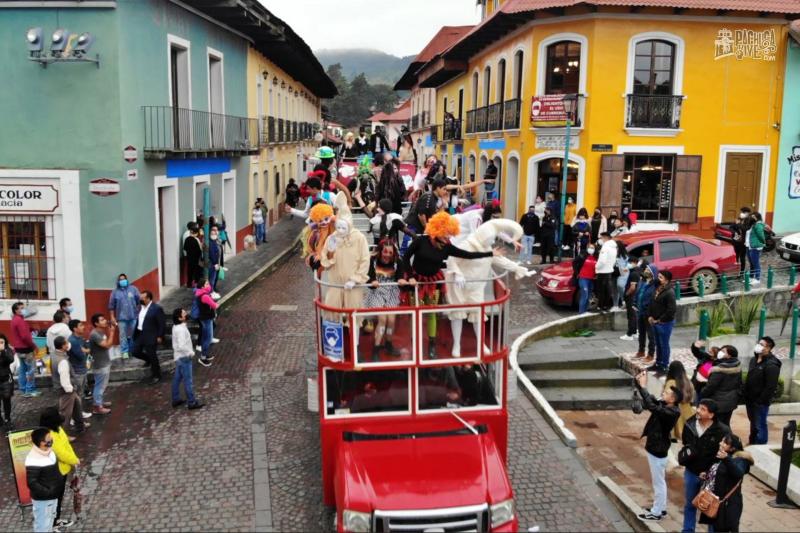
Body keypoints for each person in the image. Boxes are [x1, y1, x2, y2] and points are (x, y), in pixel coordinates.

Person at [403, 212, 497, 358]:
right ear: (437, 230)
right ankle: (414, 342)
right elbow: (406, 257)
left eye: (450, 233)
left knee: (432, 313)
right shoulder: (421, 241)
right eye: (446, 233)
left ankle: (432, 344)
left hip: (434, 282)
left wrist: (489, 254)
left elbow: (466, 254)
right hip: (416, 282)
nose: (449, 237)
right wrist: (409, 276)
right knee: (415, 314)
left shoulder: (447, 246)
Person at [445, 219, 534, 357]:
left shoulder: (486, 249)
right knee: (457, 314)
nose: (491, 242)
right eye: (490, 239)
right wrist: (457, 273)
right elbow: (452, 260)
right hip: (459, 286)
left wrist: (517, 268)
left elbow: (499, 260)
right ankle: (457, 344)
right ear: (482, 237)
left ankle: (481, 344)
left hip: (476, 286)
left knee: (478, 315)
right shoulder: (466, 246)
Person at [678, 398, 731, 533]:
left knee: (711, 507)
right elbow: (686, 445)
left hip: (711, 476)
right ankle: (688, 530)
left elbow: (725, 452)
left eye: (703, 409)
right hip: (691, 472)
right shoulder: (689, 424)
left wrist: (709, 472)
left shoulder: (722, 430)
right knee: (690, 504)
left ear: (711, 415)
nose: (698, 411)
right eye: (698, 407)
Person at [634, 371, 680, 522]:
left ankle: (657, 512)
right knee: (659, 482)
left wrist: (643, 387)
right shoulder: (666, 405)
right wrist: (639, 385)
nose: (663, 393)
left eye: (666, 392)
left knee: (658, 483)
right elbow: (651, 401)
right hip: (657, 447)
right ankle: (660, 508)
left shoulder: (671, 412)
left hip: (658, 450)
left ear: (672, 399)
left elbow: (652, 406)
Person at [698, 434, 753, 533]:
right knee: (713, 525)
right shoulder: (721, 454)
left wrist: (726, 458)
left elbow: (738, 473)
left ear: (732, 448)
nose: (720, 443)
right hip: (713, 501)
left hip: (727, 505)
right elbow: (719, 472)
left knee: (723, 528)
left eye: (725, 443)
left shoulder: (741, 459)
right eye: (722, 441)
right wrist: (707, 475)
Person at [364, 239, 407, 361]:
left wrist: (401, 280)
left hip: (392, 291)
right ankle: (376, 348)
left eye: (390, 253)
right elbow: (368, 278)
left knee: (391, 320)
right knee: (383, 319)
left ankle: (388, 344)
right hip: (376, 292)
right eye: (385, 252)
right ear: (380, 251)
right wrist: (372, 281)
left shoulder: (397, 262)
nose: (387, 255)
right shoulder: (372, 261)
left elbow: (400, 276)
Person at [39, 406, 79, 531]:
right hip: (55, 473)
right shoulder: (48, 436)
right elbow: (60, 453)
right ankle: (52, 524)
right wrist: (74, 460)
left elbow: (66, 445)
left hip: (62, 471)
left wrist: (73, 458)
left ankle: (55, 519)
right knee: (54, 499)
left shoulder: (57, 429)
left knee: (58, 497)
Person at [743, 336, 781, 445]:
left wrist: (760, 400)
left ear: (768, 348)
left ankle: (761, 445)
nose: (758, 346)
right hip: (750, 399)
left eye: (762, 345)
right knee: (753, 423)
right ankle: (752, 442)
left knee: (760, 424)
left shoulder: (772, 365)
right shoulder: (753, 360)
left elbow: (770, 386)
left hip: (760, 402)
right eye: (758, 343)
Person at [26, 427, 62, 533]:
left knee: (50, 521)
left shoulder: (48, 451)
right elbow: (31, 482)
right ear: (41, 443)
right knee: (42, 526)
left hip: (53, 496)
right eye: (48, 439)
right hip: (44, 500)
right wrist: (48, 492)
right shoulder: (33, 459)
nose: (51, 440)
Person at [51, 336, 87, 436]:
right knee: (65, 414)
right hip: (67, 390)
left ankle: (80, 426)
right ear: (63, 346)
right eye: (66, 343)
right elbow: (64, 380)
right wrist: (70, 390)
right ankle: (62, 435)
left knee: (77, 406)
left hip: (68, 389)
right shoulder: (62, 361)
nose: (68, 344)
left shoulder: (54, 355)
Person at [700, 345, 742, 427]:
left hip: (718, 402)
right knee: (725, 423)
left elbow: (710, 387)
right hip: (731, 401)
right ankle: (728, 438)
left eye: (723, 351)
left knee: (717, 425)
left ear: (729, 355)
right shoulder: (737, 365)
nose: (720, 352)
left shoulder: (719, 370)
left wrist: (702, 392)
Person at [171, 307, 204, 409]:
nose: (186, 314)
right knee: (188, 381)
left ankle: (176, 399)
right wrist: (190, 352)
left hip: (178, 357)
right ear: (180, 318)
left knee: (177, 379)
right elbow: (181, 346)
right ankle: (192, 402)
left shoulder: (176, 327)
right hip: (184, 357)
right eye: (184, 313)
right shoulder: (180, 330)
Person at [131, 291, 165, 385]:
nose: (140, 299)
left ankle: (156, 375)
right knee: (135, 351)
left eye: (143, 298)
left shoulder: (156, 308)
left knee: (152, 354)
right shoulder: (140, 307)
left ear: (149, 298)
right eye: (140, 297)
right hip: (140, 333)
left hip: (151, 335)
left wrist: (160, 336)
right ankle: (148, 359)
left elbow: (161, 323)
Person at [647, 270, 676, 375]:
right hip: (654, 321)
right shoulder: (657, 288)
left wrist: (659, 320)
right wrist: (650, 316)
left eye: (661, 277)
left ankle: (664, 365)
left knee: (664, 344)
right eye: (658, 276)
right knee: (658, 344)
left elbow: (671, 310)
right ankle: (658, 363)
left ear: (667, 280)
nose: (658, 279)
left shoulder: (670, 292)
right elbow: (652, 302)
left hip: (664, 323)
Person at [10, 301, 40, 398]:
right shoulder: (20, 320)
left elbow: (22, 332)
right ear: (16, 310)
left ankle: (23, 388)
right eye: (21, 308)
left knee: (22, 369)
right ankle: (29, 390)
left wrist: (30, 329)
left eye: (24, 307)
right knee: (31, 370)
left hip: (19, 349)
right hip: (26, 349)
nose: (24, 309)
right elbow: (25, 337)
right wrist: (34, 346)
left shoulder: (15, 319)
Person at [108, 273, 140, 360]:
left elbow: (139, 301)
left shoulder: (133, 289)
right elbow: (111, 306)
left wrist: (138, 312)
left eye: (124, 279)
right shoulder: (114, 292)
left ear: (127, 279)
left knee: (134, 334)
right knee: (123, 335)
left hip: (133, 316)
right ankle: (124, 351)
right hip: (121, 318)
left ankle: (133, 350)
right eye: (121, 279)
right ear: (118, 281)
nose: (123, 281)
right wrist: (112, 317)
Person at [88, 314, 114, 415]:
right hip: (100, 364)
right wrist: (112, 332)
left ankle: (100, 402)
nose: (105, 321)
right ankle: (97, 407)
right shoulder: (95, 334)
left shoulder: (101, 332)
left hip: (105, 361)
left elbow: (107, 344)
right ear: (96, 323)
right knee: (99, 385)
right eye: (102, 320)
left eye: (104, 319)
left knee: (103, 385)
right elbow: (107, 345)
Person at [664, 361, 695, 440]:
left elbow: (667, 398)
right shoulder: (688, 381)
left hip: (675, 411)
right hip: (687, 411)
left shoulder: (671, 382)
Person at [66, 320, 91, 417]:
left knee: (80, 393)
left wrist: (85, 350)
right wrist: (85, 350)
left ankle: (79, 413)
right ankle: (75, 416)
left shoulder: (79, 338)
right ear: (75, 329)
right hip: (77, 371)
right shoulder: (73, 340)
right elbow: (81, 355)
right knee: (77, 394)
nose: (83, 327)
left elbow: (87, 349)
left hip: (82, 369)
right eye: (80, 325)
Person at [634, 262, 658, 361]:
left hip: (649, 314)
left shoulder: (655, 286)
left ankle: (651, 354)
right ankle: (641, 351)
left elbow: (654, 300)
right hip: (640, 312)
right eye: (646, 270)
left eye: (648, 270)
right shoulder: (642, 282)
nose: (646, 271)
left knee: (651, 335)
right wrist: (634, 304)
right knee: (641, 333)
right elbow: (638, 293)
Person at [193, 278, 219, 367]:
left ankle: (205, 354)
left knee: (207, 337)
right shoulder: (205, 296)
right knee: (208, 338)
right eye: (207, 284)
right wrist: (216, 304)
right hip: (207, 319)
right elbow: (214, 305)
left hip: (205, 318)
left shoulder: (201, 294)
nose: (209, 285)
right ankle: (203, 357)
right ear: (202, 286)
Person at [594, 232, 617, 312]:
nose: (601, 240)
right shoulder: (614, 247)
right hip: (609, 270)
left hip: (602, 271)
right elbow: (614, 261)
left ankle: (600, 306)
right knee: (607, 290)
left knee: (601, 290)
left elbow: (602, 261)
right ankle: (606, 306)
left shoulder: (605, 247)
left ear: (606, 238)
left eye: (602, 238)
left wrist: (596, 266)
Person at [620, 254, 640, 341]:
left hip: (631, 297)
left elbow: (632, 287)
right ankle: (635, 332)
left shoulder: (634, 273)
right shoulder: (635, 271)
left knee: (631, 316)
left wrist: (627, 294)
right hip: (633, 297)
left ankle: (629, 334)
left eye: (630, 262)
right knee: (633, 315)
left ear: (635, 263)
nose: (628, 264)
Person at [731, 207, 752, 277]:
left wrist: (739, 224)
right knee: (736, 255)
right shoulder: (738, 219)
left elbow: (746, 229)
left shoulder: (749, 221)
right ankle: (736, 270)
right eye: (741, 212)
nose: (742, 214)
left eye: (743, 212)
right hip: (736, 241)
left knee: (742, 257)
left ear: (747, 213)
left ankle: (742, 272)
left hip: (743, 242)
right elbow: (731, 227)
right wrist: (734, 232)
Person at [746, 211, 766, 284]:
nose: (751, 217)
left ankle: (757, 279)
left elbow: (761, 235)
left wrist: (762, 242)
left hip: (755, 246)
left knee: (755, 263)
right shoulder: (753, 224)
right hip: (750, 246)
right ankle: (751, 277)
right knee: (751, 263)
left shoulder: (758, 225)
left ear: (756, 217)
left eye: (753, 216)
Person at [182, 223, 204, 288]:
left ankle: (189, 284)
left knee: (190, 271)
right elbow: (199, 250)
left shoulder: (187, 239)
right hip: (196, 259)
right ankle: (197, 283)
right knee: (197, 272)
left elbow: (185, 248)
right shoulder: (195, 240)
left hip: (189, 258)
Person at [577, 245, 597, 314]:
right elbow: (574, 262)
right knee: (584, 295)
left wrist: (596, 275)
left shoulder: (596, 257)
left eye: (593, 248)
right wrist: (577, 273)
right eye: (590, 247)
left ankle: (585, 312)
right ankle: (581, 313)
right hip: (583, 278)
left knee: (588, 297)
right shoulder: (584, 255)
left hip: (591, 280)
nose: (591, 249)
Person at [0, 334, 14, 430]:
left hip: (5, 380)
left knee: (6, 400)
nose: (0, 344)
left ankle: (7, 419)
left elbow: (11, 359)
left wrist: (3, 351)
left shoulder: (7, 350)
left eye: (2, 342)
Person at [207, 225, 224, 294]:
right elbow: (212, 254)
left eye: (216, 231)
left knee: (215, 277)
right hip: (213, 263)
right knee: (211, 278)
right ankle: (211, 291)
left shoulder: (217, 240)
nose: (215, 233)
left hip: (217, 262)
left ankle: (213, 288)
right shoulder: (210, 242)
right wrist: (215, 263)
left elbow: (220, 252)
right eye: (212, 233)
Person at [613, 241, 629, 309]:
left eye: (616, 247)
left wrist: (624, 270)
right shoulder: (612, 254)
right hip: (613, 273)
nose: (615, 248)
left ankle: (624, 301)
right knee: (614, 289)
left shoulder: (624, 256)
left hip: (623, 273)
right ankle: (615, 305)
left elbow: (626, 266)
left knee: (620, 285)